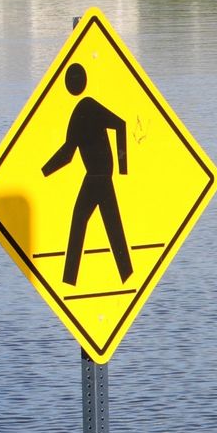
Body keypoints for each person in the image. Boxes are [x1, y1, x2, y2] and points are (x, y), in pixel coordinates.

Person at [42, 62, 133, 286]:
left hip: (99, 177)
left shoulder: (88, 107)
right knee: (109, 228)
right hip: (96, 177)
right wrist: (43, 172)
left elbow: (121, 124)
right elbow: (67, 154)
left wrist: (123, 167)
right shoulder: (79, 113)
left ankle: (70, 280)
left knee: (87, 223)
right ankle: (125, 275)